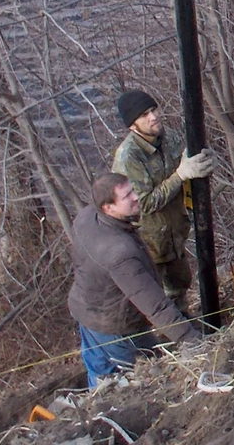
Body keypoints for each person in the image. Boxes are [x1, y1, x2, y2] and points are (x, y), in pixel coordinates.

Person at [68, 172, 202, 387]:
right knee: (146, 378)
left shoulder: (86, 218)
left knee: (101, 377)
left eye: (132, 189)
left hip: (85, 310)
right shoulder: (120, 253)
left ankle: (98, 413)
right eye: (127, 195)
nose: (136, 196)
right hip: (117, 326)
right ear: (108, 207)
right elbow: (155, 306)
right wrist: (191, 339)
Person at [112, 88, 213, 310]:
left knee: (179, 288)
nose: (153, 116)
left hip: (173, 235)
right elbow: (144, 204)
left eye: (153, 109)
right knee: (156, 303)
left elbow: (188, 164)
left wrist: (201, 163)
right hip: (147, 244)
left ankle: (187, 330)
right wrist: (181, 175)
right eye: (144, 115)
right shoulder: (129, 157)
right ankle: (170, 340)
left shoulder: (168, 138)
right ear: (132, 125)